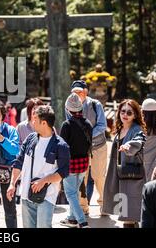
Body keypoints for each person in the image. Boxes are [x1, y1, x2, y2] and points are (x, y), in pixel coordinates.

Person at [7, 105, 70, 228]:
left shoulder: (61, 146)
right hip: (26, 195)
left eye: (35, 119)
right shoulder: (30, 138)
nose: (32, 121)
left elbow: (63, 172)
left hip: (47, 197)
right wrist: (12, 184)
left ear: (44, 123)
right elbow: (19, 162)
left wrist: (44, 181)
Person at [102, 99, 147, 228]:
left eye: (129, 112)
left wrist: (129, 145)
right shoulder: (120, 129)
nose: (125, 115)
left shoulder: (137, 129)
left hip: (132, 175)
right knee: (126, 212)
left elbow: (139, 140)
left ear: (135, 115)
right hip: (120, 174)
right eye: (123, 111)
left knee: (130, 214)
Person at [67, 80, 108, 215]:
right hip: (80, 149)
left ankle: (104, 206)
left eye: (79, 92)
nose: (76, 95)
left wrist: (87, 135)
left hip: (98, 146)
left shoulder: (96, 105)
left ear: (85, 92)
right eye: (74, 92)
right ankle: (83, 208)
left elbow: (102, 125)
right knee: (81, 178)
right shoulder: (69, 104)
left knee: (99, 176)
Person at [59, 93, 93, 228]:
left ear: (68, 109)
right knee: (75, 192)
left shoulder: (66, 125)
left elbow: (62, 147)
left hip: (70, 165)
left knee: (70, 194)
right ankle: (72, 219)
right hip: (84, 163)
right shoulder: (88, 124)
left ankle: (82, 222)